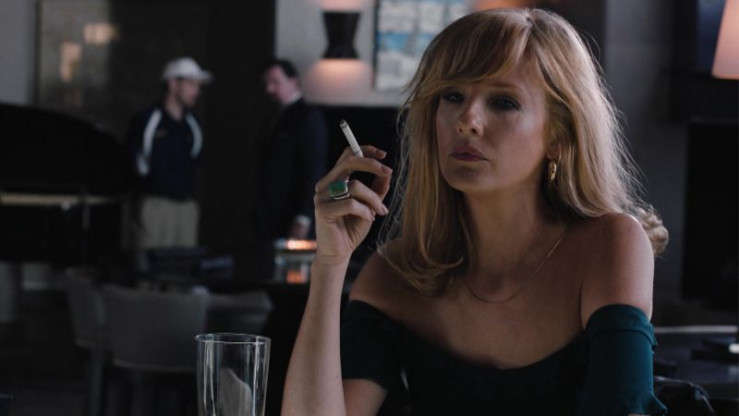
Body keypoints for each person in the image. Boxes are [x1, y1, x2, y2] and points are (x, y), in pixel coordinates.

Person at [283, 8, 669, 416]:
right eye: (452, 96)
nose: (467, 120)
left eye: (503, 102)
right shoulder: (396, 274)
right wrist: (330, 263)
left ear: (559, 136)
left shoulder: (607, 245)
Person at [125, 57, 211, 249]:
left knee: (184, 262)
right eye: (191, 84)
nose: (196, 91)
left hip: (186, 207)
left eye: (198, 86)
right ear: (173, 84)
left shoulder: (193, 124)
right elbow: (136, 161)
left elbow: (196, 160)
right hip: (155, 206)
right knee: (150, 260)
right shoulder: (147, 120)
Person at [255, 59, 328, 241]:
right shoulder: (272, 117)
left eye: (275, 82)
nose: (269, 89)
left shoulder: (308, 117)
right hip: (271, 213)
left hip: (294, 212)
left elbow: (314, 170)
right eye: (266, 83)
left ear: (293, 81)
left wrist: (304, 216)